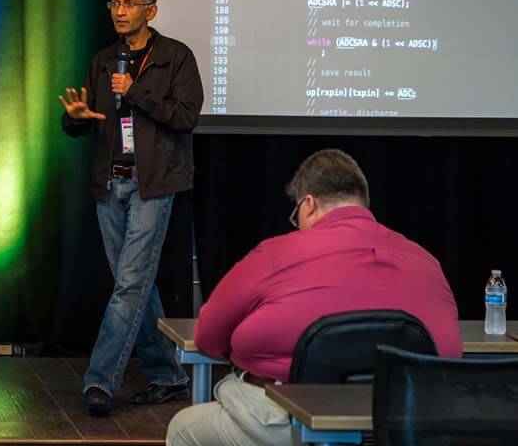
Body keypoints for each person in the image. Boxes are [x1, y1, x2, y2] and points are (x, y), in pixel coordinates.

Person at [166, 148, 462, 446]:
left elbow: (207, 336)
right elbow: (449, 353)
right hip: (401, 425)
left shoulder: (274, 255)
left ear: (308, 204)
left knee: (183, 427)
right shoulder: (424, 261)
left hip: (292, 423)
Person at [59, 0, 204, 416]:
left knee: (128, 287)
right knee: (137, 286)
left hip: (153, 184)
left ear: (150, 10)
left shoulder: (176, 57)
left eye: (129, 4)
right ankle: (169, 375)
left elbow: (186, 117)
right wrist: (77, 117)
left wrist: (135, 92)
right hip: (111, 183)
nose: (119, 12)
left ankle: (99, 381)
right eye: (114, 4)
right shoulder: (105, 60)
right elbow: (82, 123)